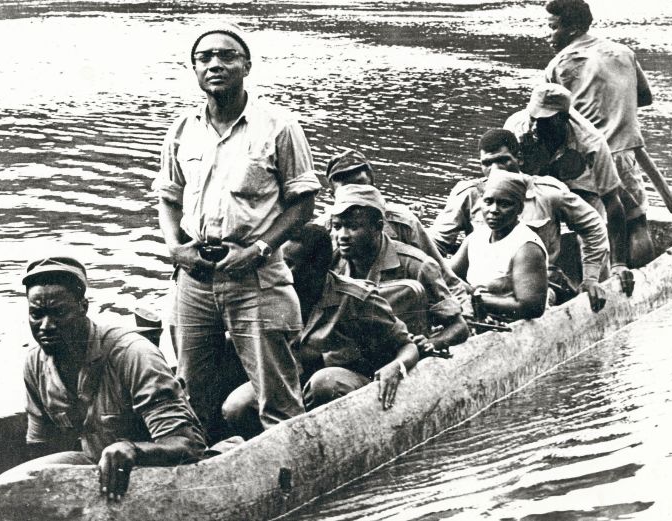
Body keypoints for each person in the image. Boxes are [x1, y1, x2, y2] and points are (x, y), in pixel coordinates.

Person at [153, 22, 320, 444]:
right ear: (193, 69)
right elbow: (169, 198)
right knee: (189, 386)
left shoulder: (278, 126)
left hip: (256, 274)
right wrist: (176, 249)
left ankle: (288, 470)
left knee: (276, 395)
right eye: (204, 58)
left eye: (227, 56)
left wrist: (260, 250)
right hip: (195, 276)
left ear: (247, 65)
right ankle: (198, 468)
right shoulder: (181, 129)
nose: (215, 64)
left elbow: (303, 203)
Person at [2, 257, 206, 502]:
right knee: (12, 483)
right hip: (96, 467)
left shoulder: (134, 354)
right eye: (36, 314)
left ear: (83, 307)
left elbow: (188, 446)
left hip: (158, 471)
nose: (46, 326)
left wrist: (133, 449)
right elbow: (42, 446)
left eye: (59, 313)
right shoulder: (35, 362)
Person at [222, 224, 420, 438]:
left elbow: (407, 346)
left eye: (289, 264)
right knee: (237, 406)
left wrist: (396, 367)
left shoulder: (356, 300)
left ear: (315, 268)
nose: (280, 270)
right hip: (293, 382)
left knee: (325, 383)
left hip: (349, 386)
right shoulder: (272, 296)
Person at [430, 129, 619, 312]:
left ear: (518, 158)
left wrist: (591, 278)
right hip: (482, 287)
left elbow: (594, 227)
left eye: (503, 160)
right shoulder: (469, 195)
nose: (495, 169)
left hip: (539, 287)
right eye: (487, 163)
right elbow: (434, 246)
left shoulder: (547, 192)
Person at [543, 0, 656, 267]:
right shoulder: (623, 52)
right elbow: (645, 97)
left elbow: (549, 119)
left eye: (552, 27)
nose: (548, 35)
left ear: (571, 29)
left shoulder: (559, 65)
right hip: (623, 154)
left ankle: (602, 286)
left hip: (587, 159)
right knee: (637, 222)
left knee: (593, 230)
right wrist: (614, 106)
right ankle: (642, 281)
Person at [504, 84, 633, 293]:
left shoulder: (591, 142)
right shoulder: (516, 129)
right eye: (534, 119)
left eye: (544, 122)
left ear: (563, 119)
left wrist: (620, 263)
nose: (536, 127)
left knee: (593, 233)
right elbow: (505, 184)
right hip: (538, 187)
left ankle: (600, 285)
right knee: (533, 231)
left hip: (583, 188)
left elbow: (613, 202)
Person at [329, 184, 469, 348]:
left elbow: (459, 327)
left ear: (378, 227)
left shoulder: (418, 266)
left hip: (404, 353)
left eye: (353, 227)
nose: (342, 236)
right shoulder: (331, 260)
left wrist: (432, 343)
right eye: (337, 226)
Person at [313, 148, 461, 288]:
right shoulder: (321, 230)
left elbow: (446, 280)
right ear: (333, 196)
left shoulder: (404, 223)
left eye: (362, 189)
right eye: (347, 192)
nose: (355, 197)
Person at [451, 171, 549, 321]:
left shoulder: (527, 248)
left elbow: (531, 307)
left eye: (505, 204)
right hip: (477, 313)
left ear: (520, 209)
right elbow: (450, 276)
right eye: (488, 202)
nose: (494, 210)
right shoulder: (476, 237)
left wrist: (473, 300)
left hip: (509, 322)